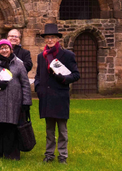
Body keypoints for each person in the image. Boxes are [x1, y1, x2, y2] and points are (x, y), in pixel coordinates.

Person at [34, 24, 80, 164]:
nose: (49, 40)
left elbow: (76, 74)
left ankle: (62, 156)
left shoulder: (67, 55)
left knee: (62, 130)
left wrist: (64, 79)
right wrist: (38, 87)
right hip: (46, 97)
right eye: (47, 38)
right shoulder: (41, 57)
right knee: (49, 130)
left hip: (60, 96)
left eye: (52, 37)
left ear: (57, 39)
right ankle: (49, 154)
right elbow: (38, 75)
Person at [0, 39, 32, 160]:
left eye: (6, 48)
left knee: (11, 128)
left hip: (13, 102)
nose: (4, 50)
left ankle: (11, 154)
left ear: (10, 49)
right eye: (1, 48)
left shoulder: (19, 64)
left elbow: (25, 83)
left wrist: (26, 101)